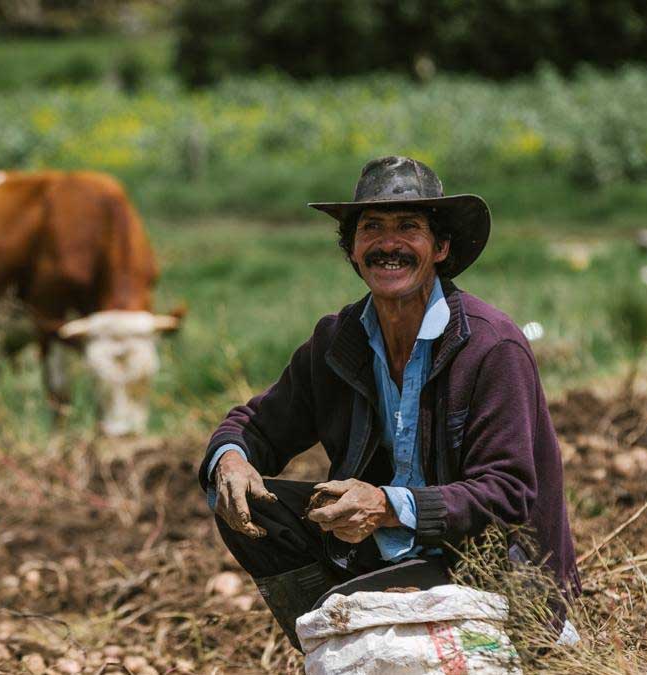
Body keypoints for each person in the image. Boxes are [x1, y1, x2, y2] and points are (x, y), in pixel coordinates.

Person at [197, 156, 580, 650]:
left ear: (440, 247)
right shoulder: (338, 340)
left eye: (408, 228)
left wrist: (386, 505)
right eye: (371, 228)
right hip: (380, 557)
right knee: (251, 509)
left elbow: (506, 494)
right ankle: (330, 637)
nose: (388, 244)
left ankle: (526, 641)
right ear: (353, 251)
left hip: (491, 563)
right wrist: (230, 458)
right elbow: (256, 426)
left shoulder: (490, 347)